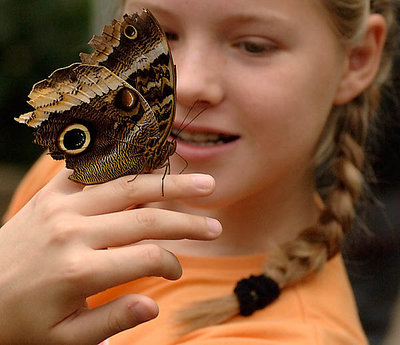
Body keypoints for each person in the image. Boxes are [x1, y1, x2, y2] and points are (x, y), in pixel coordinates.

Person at [0, 0, 397, 344]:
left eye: (253, 46)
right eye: (166, 33)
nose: (189, 82)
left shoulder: (291, 336)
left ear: (356, 60)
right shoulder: (82, 171)